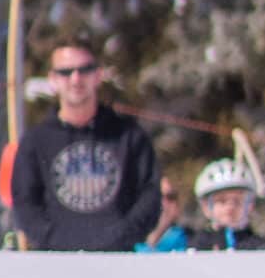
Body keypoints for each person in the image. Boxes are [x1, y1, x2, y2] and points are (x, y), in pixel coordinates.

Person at [11, 41, 161, 251]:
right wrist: (54, 239)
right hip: (56, 262)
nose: (76, 79)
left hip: (118, 260)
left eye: (84, 70)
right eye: (66, 72)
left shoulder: (129, 135)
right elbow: (24, 203)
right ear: (53, 80)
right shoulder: (36, 141)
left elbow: (149, 195)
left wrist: (121, 236)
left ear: (98, 76)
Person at [190, 158, 265, 251]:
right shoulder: (194, 248)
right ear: (205, 207)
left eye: (237, 201)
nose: (230, 207)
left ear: (250, 205)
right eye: (221, 201)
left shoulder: (263, 249)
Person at [135, 176, 190, 253]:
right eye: (157, 195)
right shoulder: (124, 245)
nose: (162, 203)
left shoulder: (190, 246)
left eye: (170, 197)